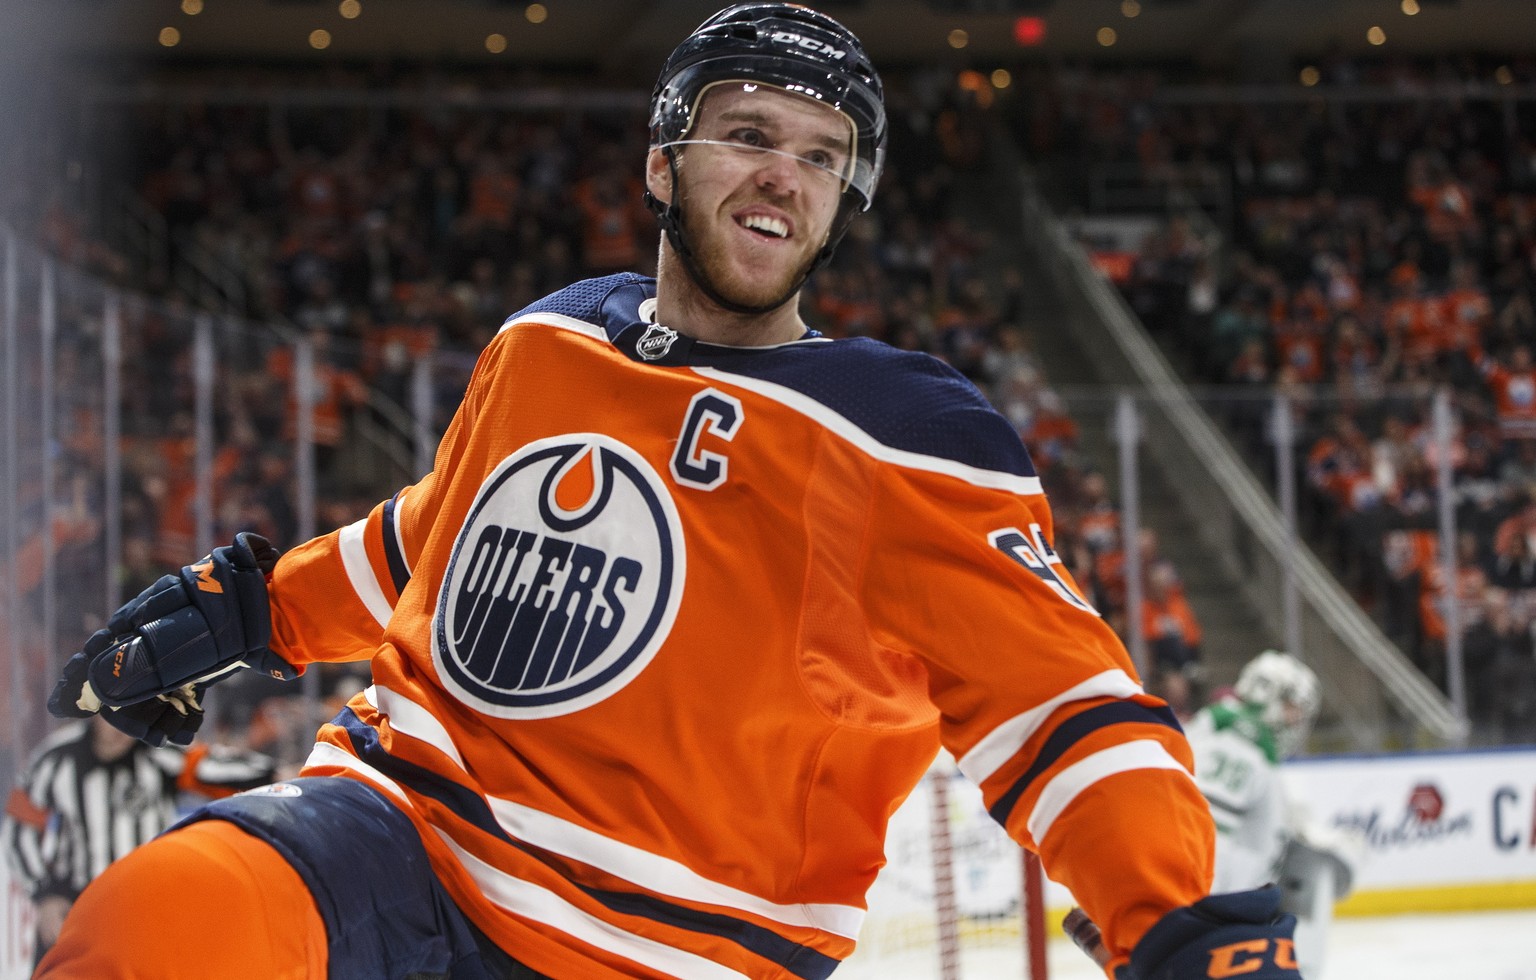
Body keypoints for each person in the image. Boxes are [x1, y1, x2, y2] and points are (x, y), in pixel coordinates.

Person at [38, 6, 1303, 978]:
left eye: (821, 156)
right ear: (665, 162)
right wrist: (257, 613)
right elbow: (435, 536)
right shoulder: (550, 338)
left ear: (841, 203)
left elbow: (1062, 704)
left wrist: (1169, 911)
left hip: (677, 948)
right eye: (749, 134)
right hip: (396, 834)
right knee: (155, 917)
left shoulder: (908, 433)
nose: (783, 175)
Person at [2, 715, 275, 968]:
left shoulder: (158, 752)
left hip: (145, 906)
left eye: (132, 714)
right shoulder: (56, 758)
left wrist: (274, 774)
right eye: (113, 714)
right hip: (77, 908)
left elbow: (218, 767)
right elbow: (18, 830)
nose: (120, 728)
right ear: (96, 710)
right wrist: (45, 894)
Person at [1185, 650, 1360, 978]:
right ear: (1269, 697)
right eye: (1294, 709)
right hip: (1208, 922)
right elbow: (1206, 838)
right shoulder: (1235, 743)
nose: (1295, 721)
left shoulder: (1220, 728)